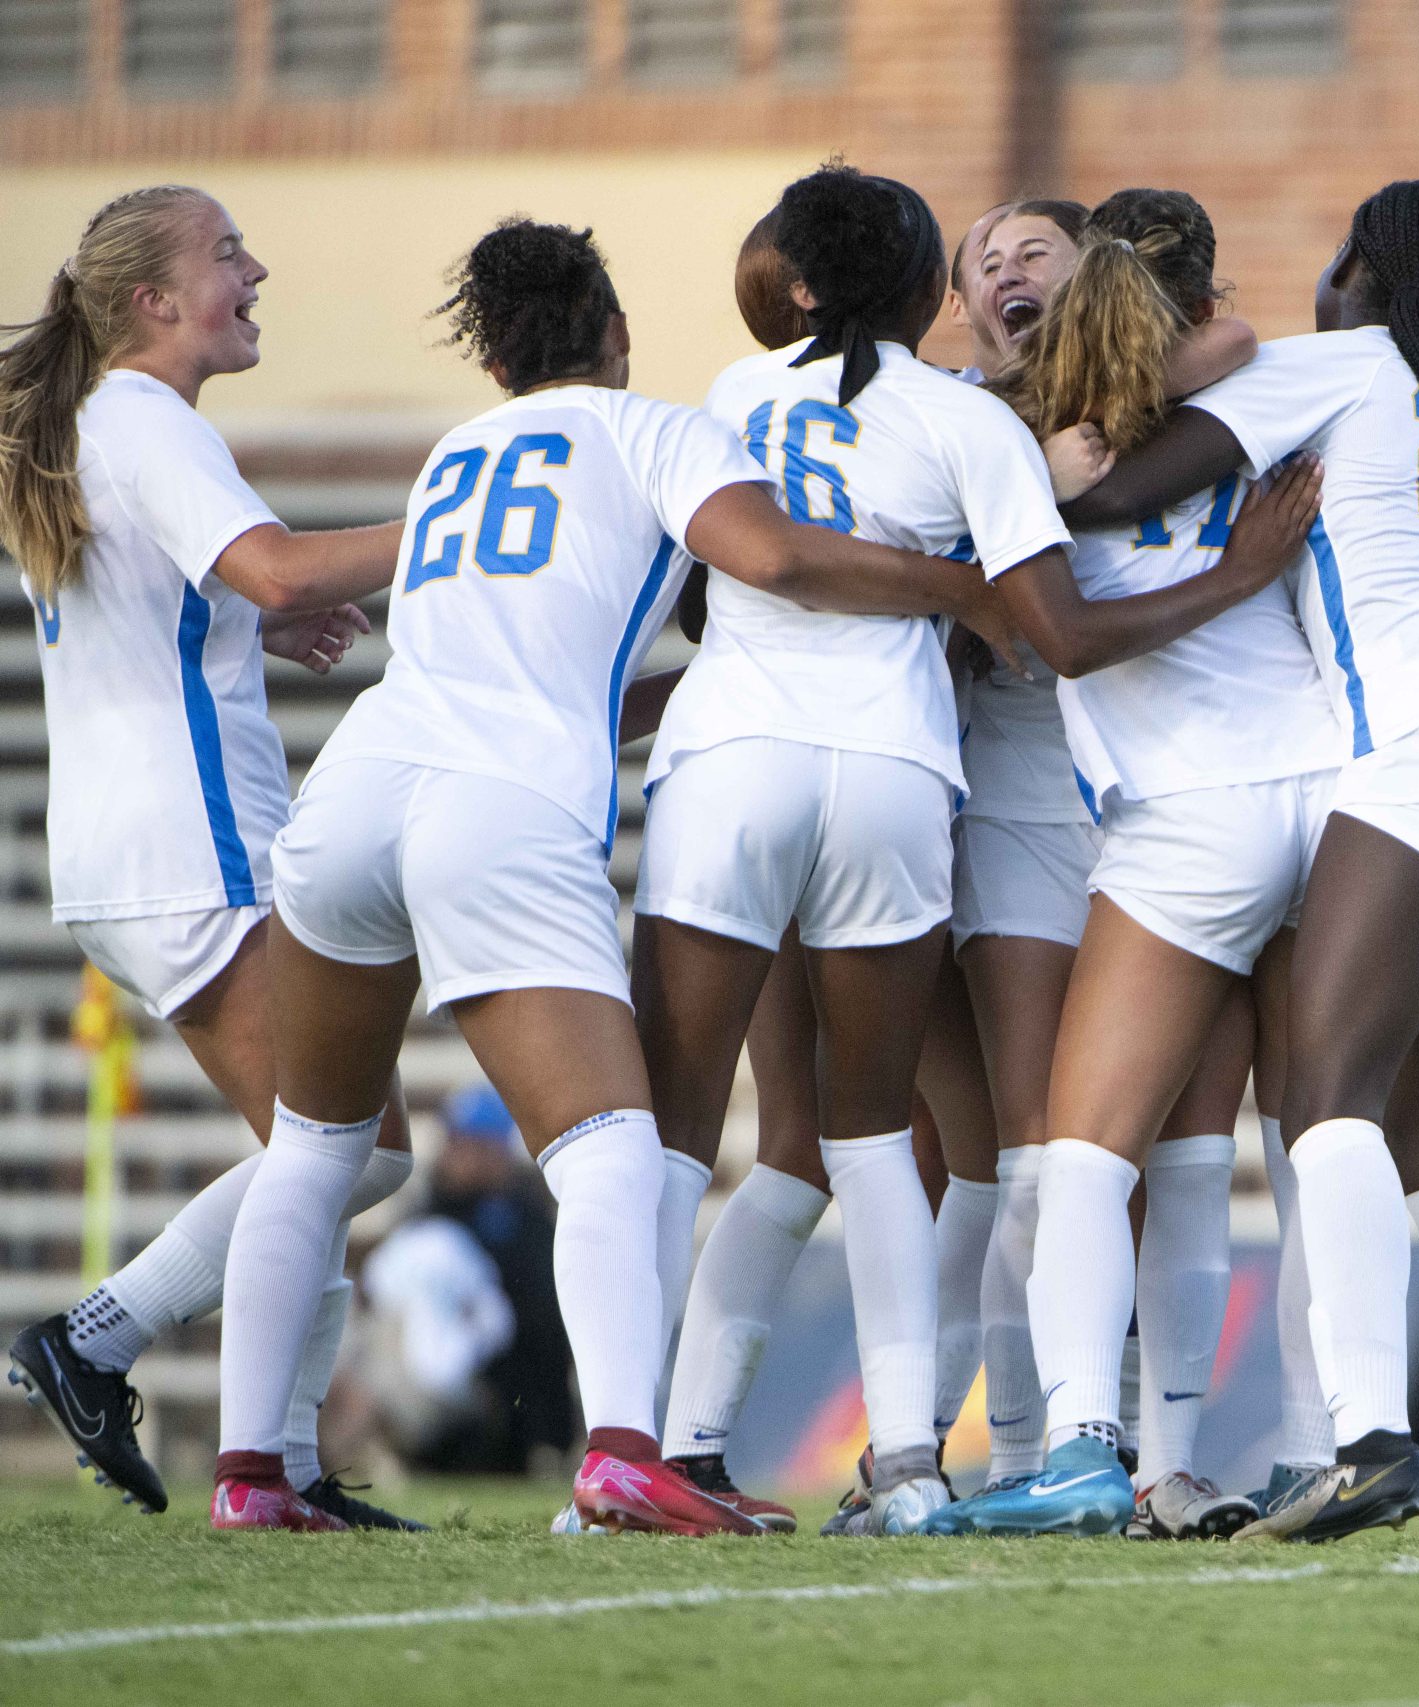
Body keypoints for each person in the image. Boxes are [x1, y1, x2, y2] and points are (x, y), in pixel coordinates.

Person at [209, 216, 1017, 1533]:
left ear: (496, 349)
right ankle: (631, 1451)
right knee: (612, 1147)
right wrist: (964, 588)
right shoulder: (657, 429)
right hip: (502, 806)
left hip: (355, 790)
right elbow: (777, 556)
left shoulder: (461, 452)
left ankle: (253, 1470)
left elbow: (567, 661)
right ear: (617, 329)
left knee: (313, 1141)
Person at [1050, 179, 1419, 1547]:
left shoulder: (1327, 364)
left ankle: (1369, 1440)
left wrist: (1032, 450)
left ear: (1359, 262)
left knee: (1328, 1095)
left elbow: (1116, 490)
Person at [632, 165, 1080, 1537]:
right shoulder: (962, 418)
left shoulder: (724, 394)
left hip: (731, 758)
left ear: (801, 279)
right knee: (875, 1133)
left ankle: (653, 1451)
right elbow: (1032, 615)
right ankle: (905, 1463)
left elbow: (714, 583)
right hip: (895, 767)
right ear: (922, 287)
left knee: (670, 1134)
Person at [0, 185, 421, 1530]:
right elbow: (281, 567)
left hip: (145, 842)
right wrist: (457, 532)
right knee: (347, 1145)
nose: (256, 269)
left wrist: (250, 631)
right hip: (195, 841)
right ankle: (102, 1342)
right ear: (152, 301)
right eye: (226, 251)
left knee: (327, 1147)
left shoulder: (105, 422)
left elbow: (211, 598)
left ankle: (286, 1465)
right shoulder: (141, 415)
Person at [918, 190, 1331, 1540]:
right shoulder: (1214, 400)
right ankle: (1178, 1453)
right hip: (1269, 792)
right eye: (984, 262)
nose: (1007, 269)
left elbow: (1062, 627)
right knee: (1170, 1148)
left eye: (1037, 251)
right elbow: (1234, 347)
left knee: (1104, 1153)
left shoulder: (1052, 437)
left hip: (1178, 810)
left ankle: (1093, 1454)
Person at [362, 1085, 575, 1475]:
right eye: (461, 1144)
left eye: (481, 1146)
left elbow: (541, 1322)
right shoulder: (426, 1213)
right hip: (435, 1377)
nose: (468, 1157)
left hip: (503, 1387)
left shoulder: (527, 1219)